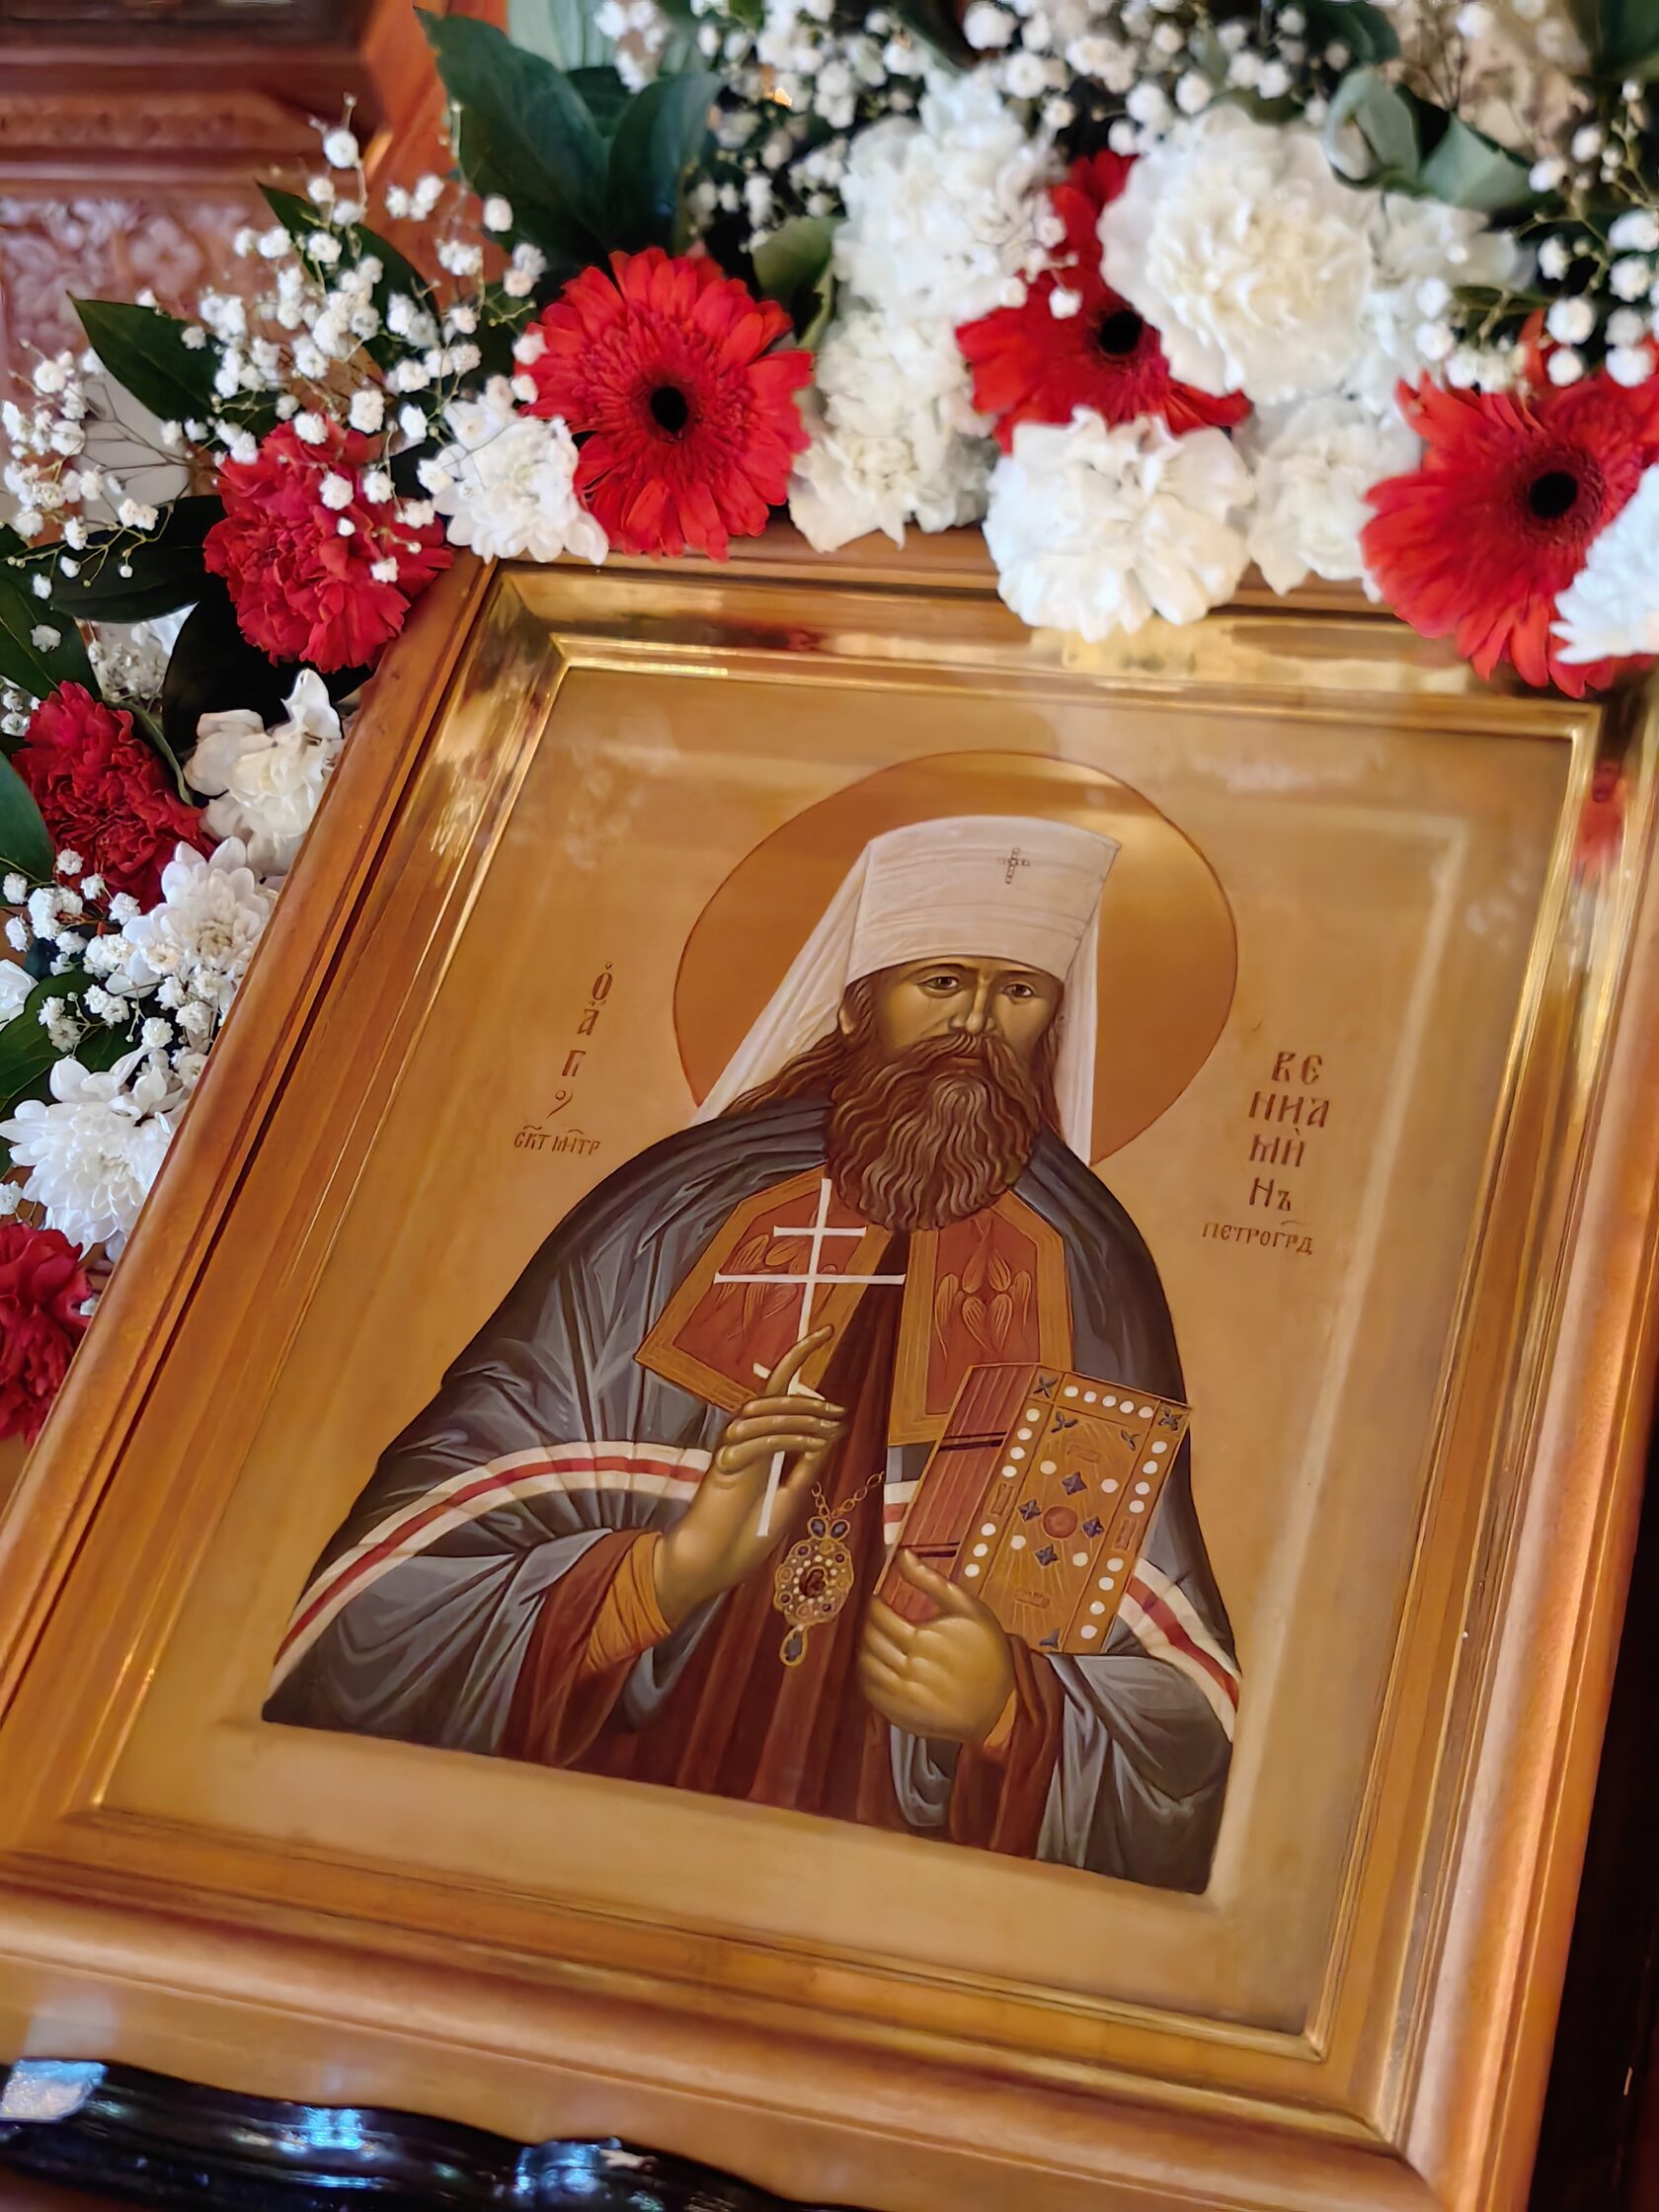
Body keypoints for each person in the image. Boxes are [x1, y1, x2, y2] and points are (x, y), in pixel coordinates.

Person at [267, 815, 1239, 1890]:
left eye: (1017, 992)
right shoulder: (675, 1212)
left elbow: (1166, 1710)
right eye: (941, 982)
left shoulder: (1084, 1265)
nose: (974, 1025)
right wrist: (663, 1574)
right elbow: (384, 1601)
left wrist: (1011, 1710)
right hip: (598, 1827)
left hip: (891, 1884)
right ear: (862, 1001)